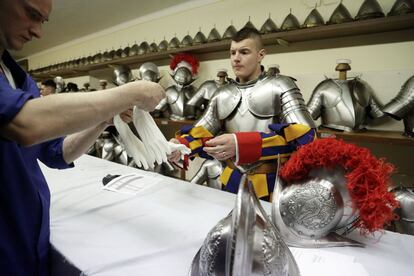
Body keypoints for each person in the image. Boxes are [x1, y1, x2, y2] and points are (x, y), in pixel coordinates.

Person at [0, 0, 165, 275]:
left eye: (43, 21)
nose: (38, 32)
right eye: (31, 14)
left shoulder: (21, 81)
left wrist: (102, 120)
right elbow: (25, 123)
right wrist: (128, 93)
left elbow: (56, 152)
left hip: (29, 235)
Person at [169, 27, 316, 201]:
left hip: (273, 184)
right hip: (231, 178)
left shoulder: (281, 85)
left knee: (267, 227)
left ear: (261, 55)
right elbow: (201, 134)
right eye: (232, 53)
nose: (236, 59)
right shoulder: (221, 94)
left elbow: (306, 137)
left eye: (244, 52)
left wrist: (243, 145)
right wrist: (181, 146)